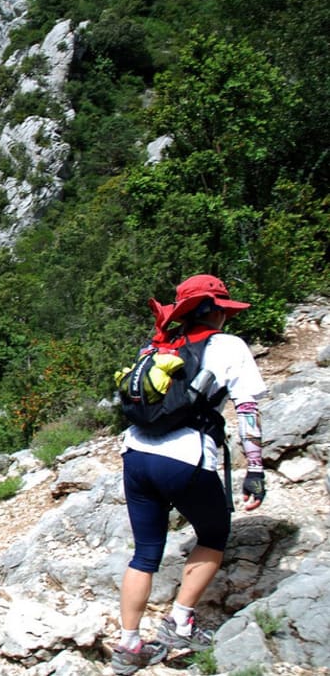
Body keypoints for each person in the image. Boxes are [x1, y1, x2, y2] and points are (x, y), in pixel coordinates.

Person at [111, 274, 268, 676]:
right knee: (214, 534)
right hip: (184, 456)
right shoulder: (228, 346)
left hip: (136, 454)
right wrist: (255, 470)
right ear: (215, 311)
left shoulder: (159, 344)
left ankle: (129, 646)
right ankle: (180, 622)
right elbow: (247, 410)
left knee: (145, 552)